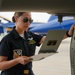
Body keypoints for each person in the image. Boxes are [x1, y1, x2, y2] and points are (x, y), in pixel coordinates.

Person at [0, 12, 74, 75]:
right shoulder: (7, 40)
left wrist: (68, 34)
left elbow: (47, 39)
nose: (28, 23)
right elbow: (1, 65)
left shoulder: (30, 35)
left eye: (30, 20)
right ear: (16, 18)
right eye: (25, 20)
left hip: (28, 72)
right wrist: (17, 60)